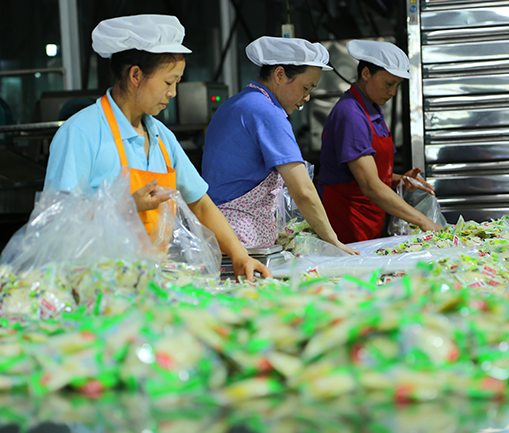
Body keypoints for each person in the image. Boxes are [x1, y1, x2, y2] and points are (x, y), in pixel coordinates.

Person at [44, 14, 270, 281]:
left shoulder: (161, 136)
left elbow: (200, 204)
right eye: (168, 82)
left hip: (151, 281)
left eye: (176, 82)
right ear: (136, 75)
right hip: (96, 285)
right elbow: (57, 222)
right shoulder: (81, 133)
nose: (173, 92)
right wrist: (125, 205)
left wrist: (239, 254)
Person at [202, 36, 358, 255]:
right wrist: (333, 241)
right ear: (280, 74)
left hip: (218, 230)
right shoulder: (267, 112)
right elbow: (302, 190)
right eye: (306, 87)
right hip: (240, 235)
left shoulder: (236, 103)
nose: (307, 97)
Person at [318, 40, 443, 244]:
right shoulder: (351, 114)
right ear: (366, 74)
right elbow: (369, 185)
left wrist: (399, 180)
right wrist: (423, 221)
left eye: (397, 85)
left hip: (369, 215)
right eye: (389, 83)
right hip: (347, 217)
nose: (393, 92)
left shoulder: (372, 109)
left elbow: (369, 172)